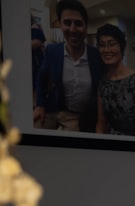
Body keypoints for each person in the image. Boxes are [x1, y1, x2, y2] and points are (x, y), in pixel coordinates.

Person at [33, 0, 103, 132]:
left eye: (78, 23)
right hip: (52, 109)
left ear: (86, 27)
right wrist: (40, 104)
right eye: (67, 23)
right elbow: (41, 77)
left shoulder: (96, 56)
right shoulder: (52, 51)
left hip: (77, 116)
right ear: (60, 24)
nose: (72, 29)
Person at [95, 24, 135, 136]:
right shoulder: (102, 83)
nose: (107, 50)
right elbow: (101, 123)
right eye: (102, 45)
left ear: (122, 47)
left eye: (112, 44)